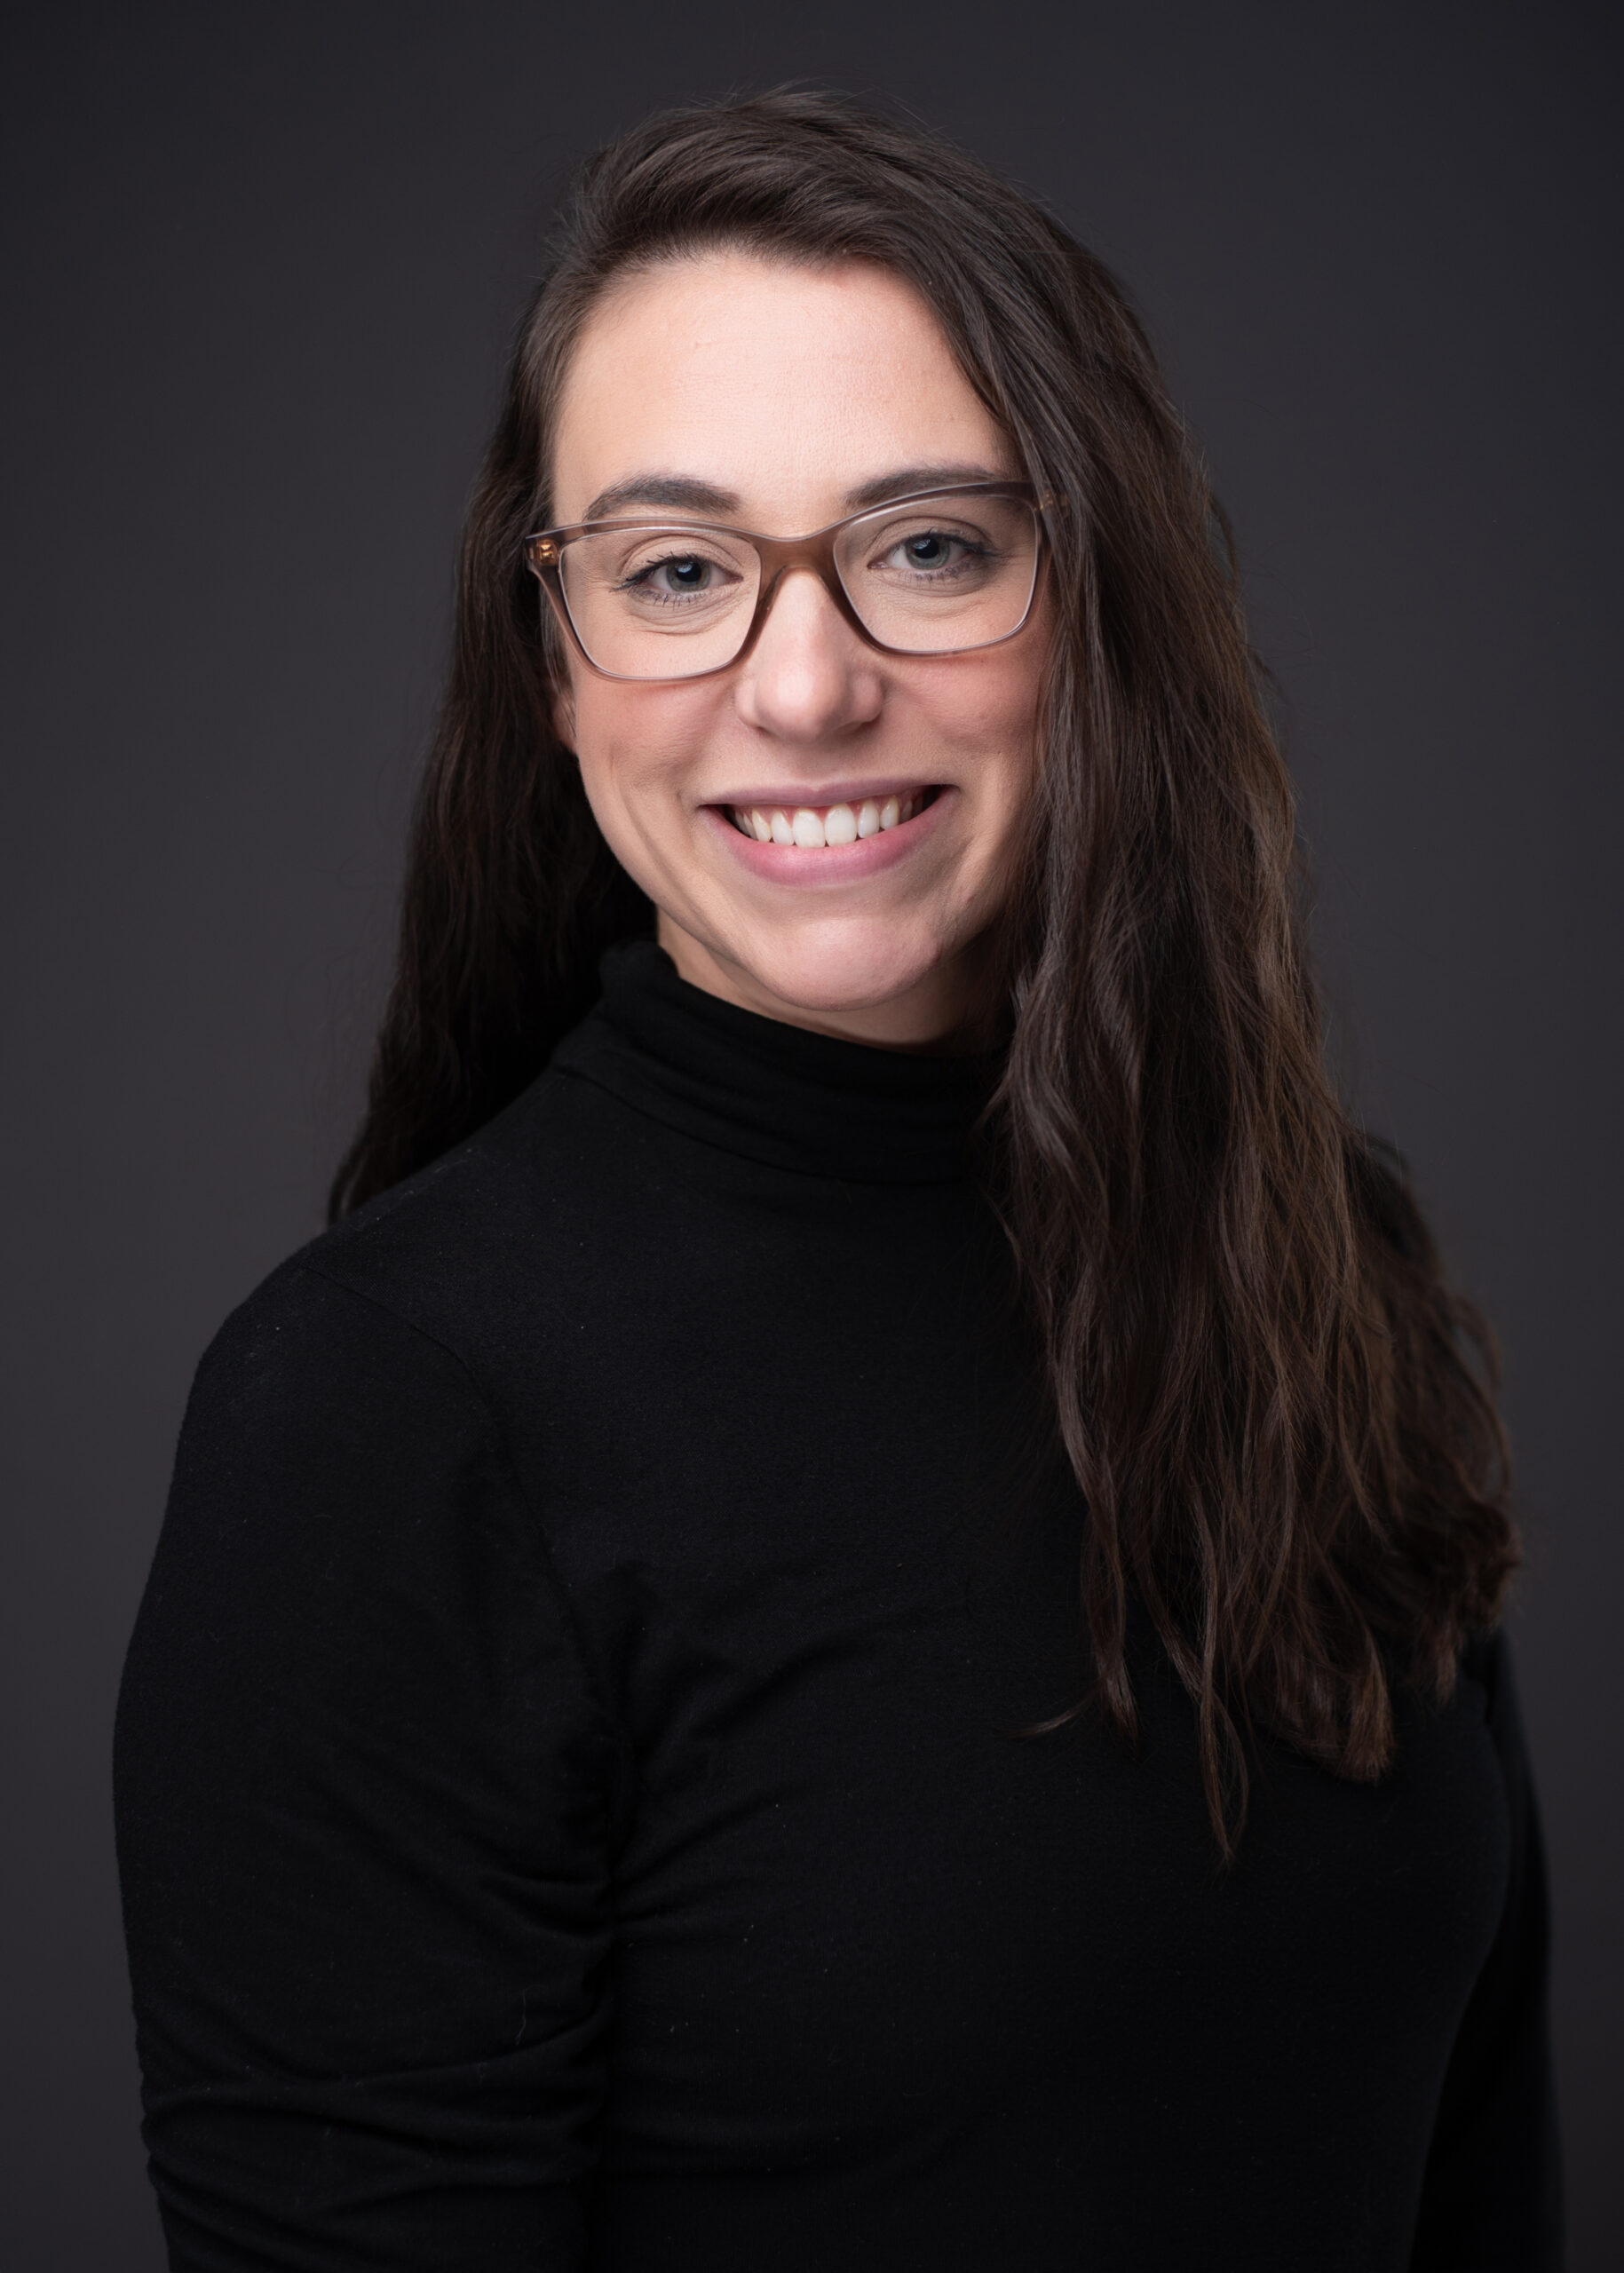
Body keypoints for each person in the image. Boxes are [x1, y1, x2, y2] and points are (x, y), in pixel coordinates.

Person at [114, 90, 1562, 2272]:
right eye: (679, 571)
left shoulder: (1309, 1247)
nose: (804, 684)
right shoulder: (384, 1415)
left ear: (1105, 598)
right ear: (559, 661)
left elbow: (1473, 2172)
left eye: (929, 545)